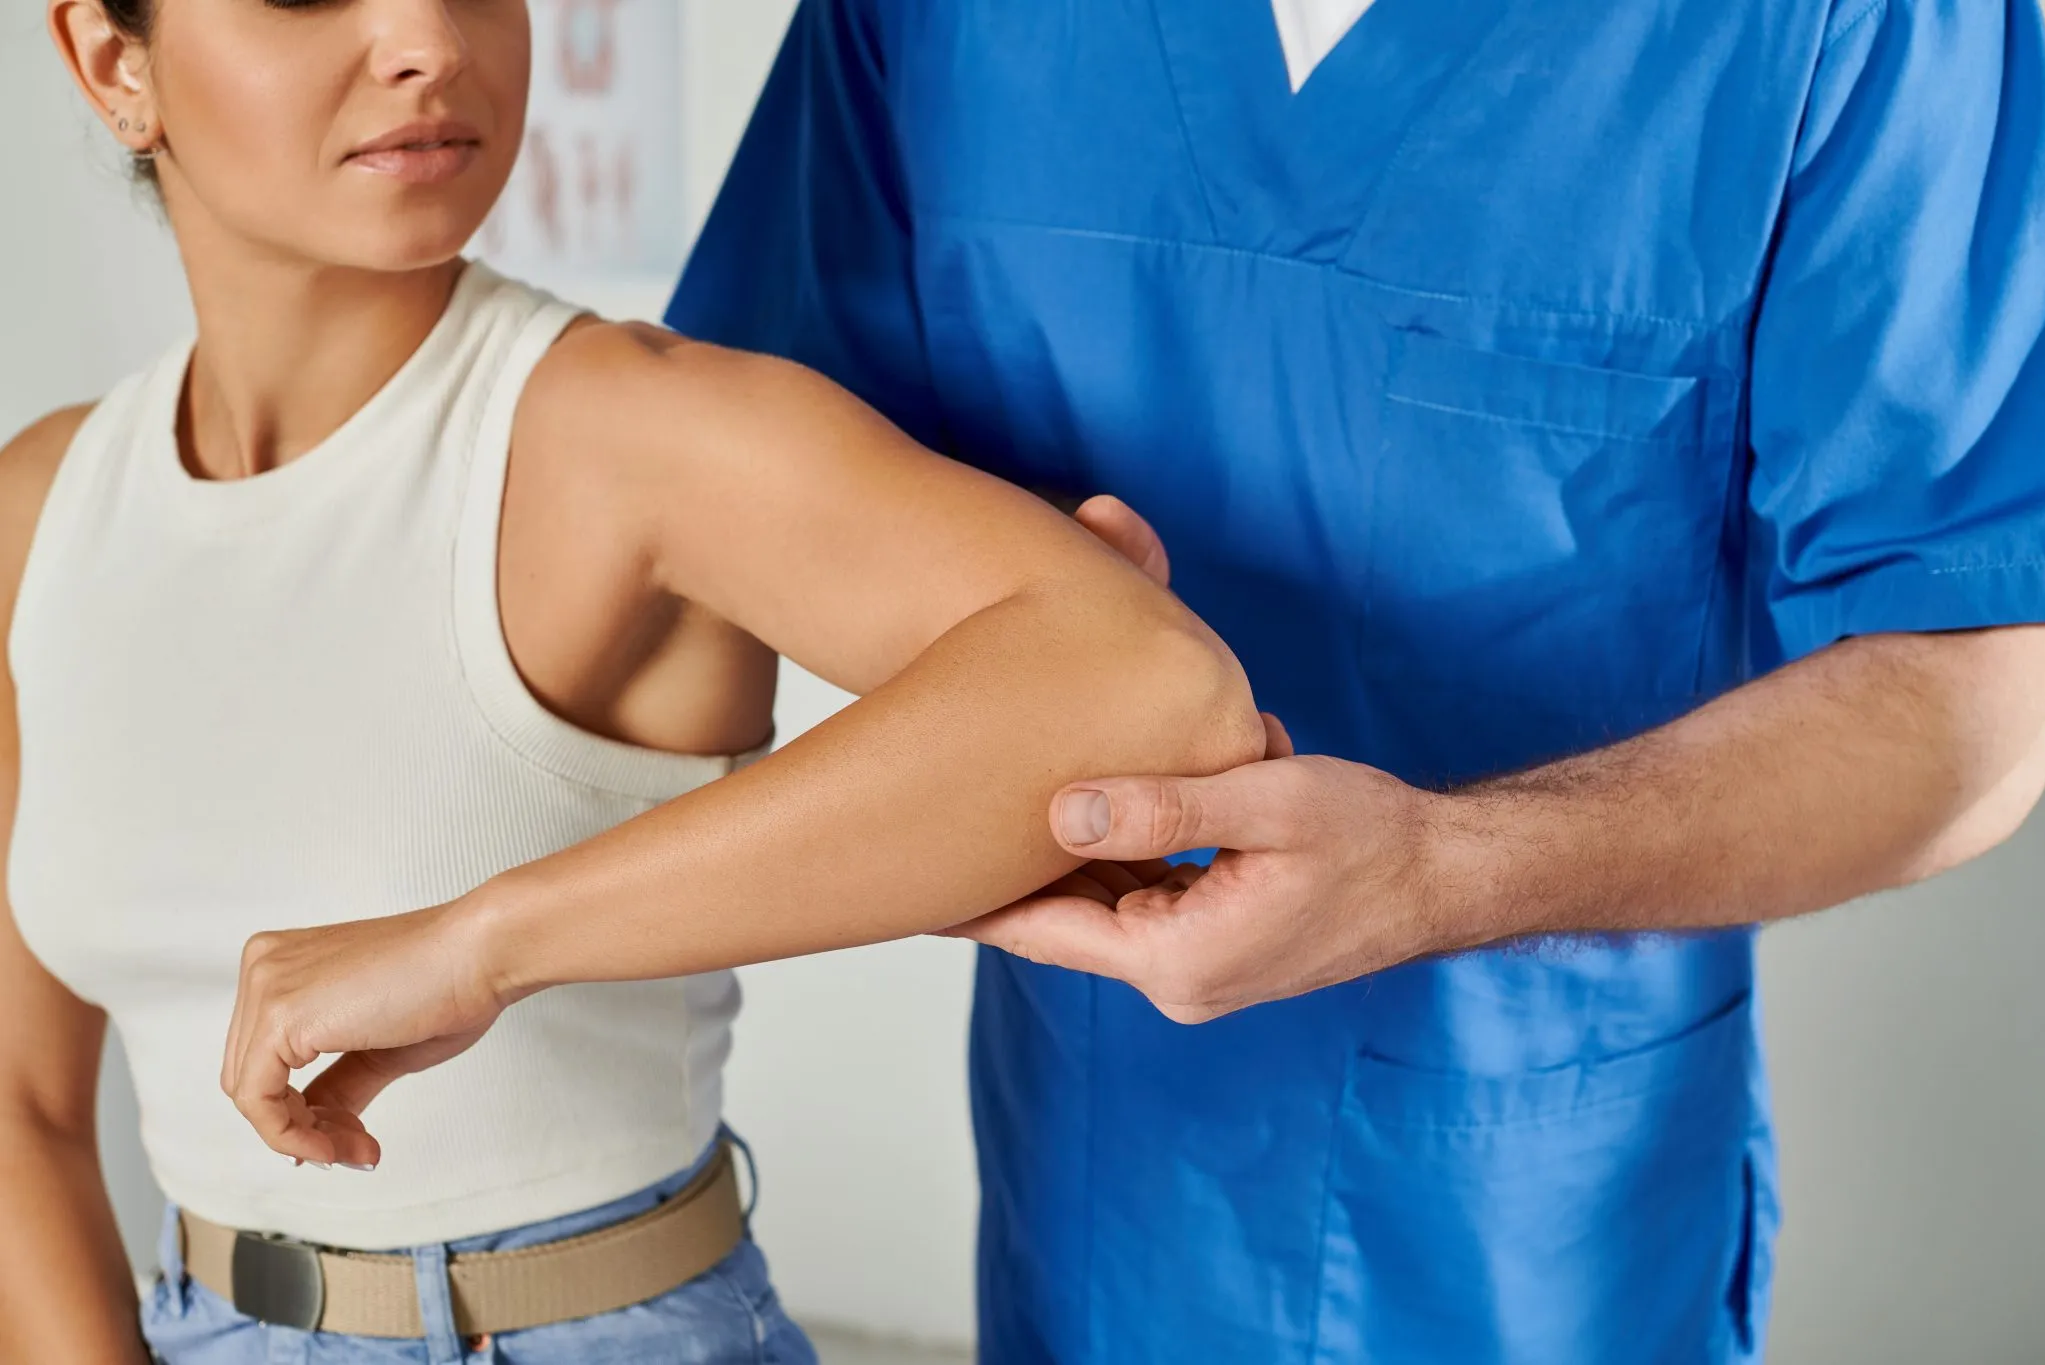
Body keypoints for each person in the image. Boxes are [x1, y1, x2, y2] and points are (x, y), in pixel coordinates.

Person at [665, 0, 2045, 1360]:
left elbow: (1974, 685)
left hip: (1538, 1217)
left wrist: (1446, 868)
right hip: (1099, 1170)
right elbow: (728, 479)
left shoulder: (1848, 26)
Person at [0, 2, 1262, 1362]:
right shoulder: (42, 513)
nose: (430, 40)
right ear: (114, 62)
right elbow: (21, 1100)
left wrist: (480, 945)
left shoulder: (631, 431)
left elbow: (1153, 686)